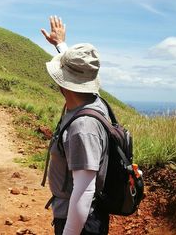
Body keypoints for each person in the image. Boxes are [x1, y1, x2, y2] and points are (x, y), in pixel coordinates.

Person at [41, 16, 110, 235]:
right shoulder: (94, 100)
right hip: (87, 218)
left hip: (81, 224)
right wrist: (61, 45)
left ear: (65, 83)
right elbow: (80, 72)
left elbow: (84, 192)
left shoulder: (83, 128)